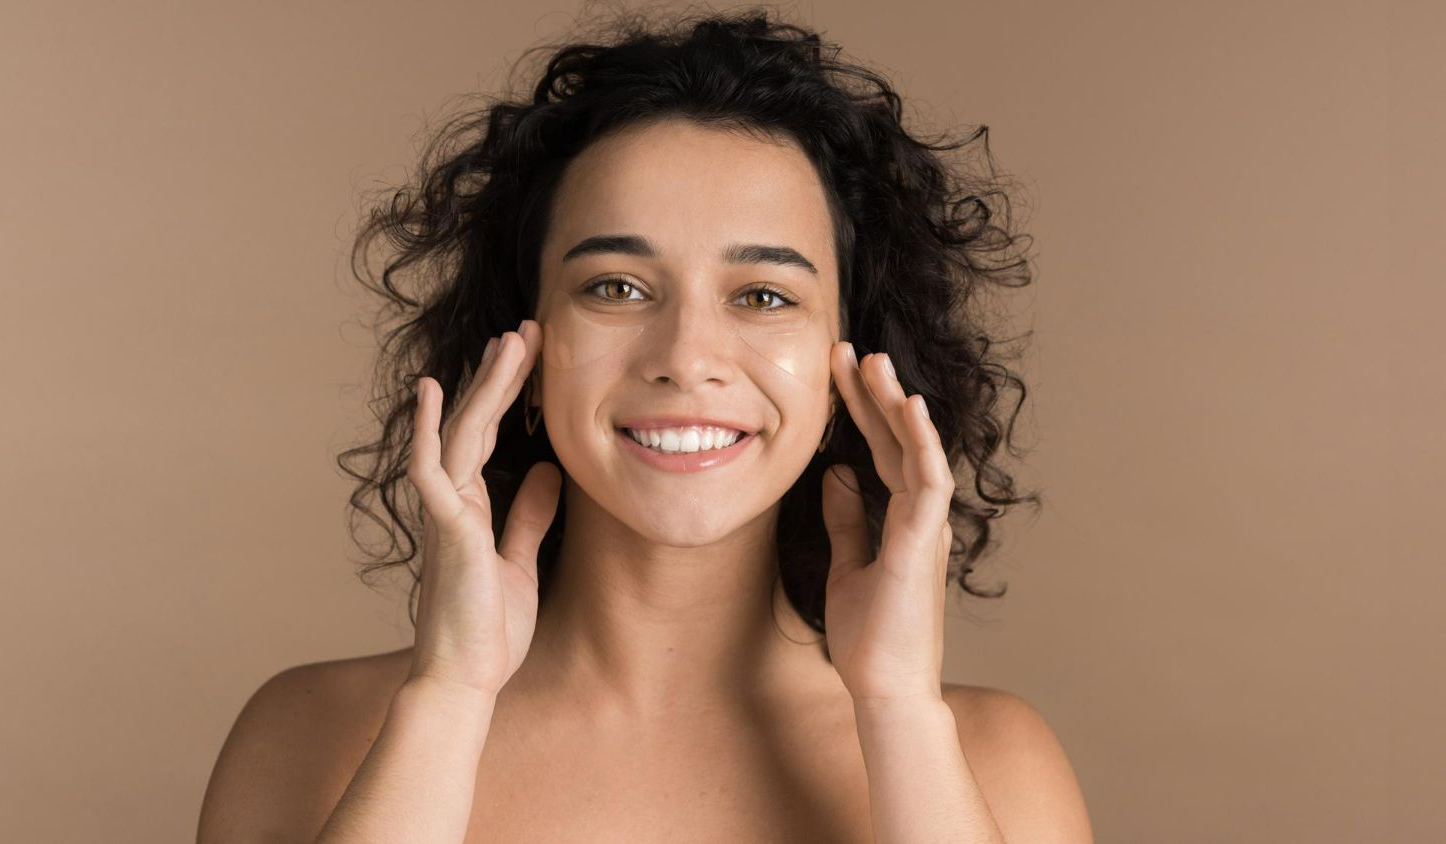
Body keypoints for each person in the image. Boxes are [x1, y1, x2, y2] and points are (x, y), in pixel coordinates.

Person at [198, 8, 1093, 842]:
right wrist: (449, 696)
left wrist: (897, 708)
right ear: (526, 349)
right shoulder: (306, 735)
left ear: (850, 374)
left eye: (763, 295)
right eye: (615, 288)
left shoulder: (996, 763)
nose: (686, 355)